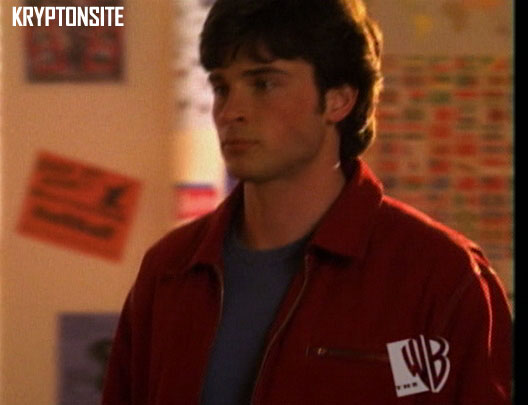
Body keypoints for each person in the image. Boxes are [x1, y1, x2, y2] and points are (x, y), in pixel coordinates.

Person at [102, 0, 513, 403]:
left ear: (339, 99)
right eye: (222, 87)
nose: (230, 112)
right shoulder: (171, 268)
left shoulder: (440, 276)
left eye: (264, 84)